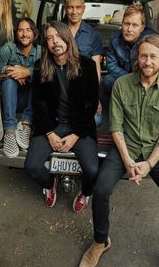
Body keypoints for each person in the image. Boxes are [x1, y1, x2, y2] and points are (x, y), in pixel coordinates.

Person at [79, 34, 159, 267]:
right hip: (124, 149)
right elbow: (116, 127)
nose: (147, 61)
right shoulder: (122, 84)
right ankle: (101, 241)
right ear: (136, 59)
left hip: (154, 153)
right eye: (143, 56)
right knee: (100, 190)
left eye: (152, 56)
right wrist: (128, 161)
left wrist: (149, 163)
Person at [24, 21, 99, 212]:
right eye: (49, 38)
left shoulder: (88, 65)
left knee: (92, 171)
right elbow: (38, 103)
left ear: (67, 38)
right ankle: (49, 185)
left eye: (58, 36)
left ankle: (86, 192)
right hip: (51, 125)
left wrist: (75, 136)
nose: (54, 41)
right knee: (31, 166)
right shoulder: (41, 67)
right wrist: (49, 133)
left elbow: (91, 105)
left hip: (79, 127)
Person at [0, 17, 41, 158]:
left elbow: (49, 72)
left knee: (40, 78)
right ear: (16, 33)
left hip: (32, 102)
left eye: (28, 30)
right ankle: (10, 131)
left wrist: (27, 72)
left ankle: (25, 124)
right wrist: (13, 72)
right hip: (11, 100)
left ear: (34, 33)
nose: (24, 34)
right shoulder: (8, 49)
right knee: (9, 81)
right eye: (21, 30)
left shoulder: (41, 51)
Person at [64, 0, 103, 126]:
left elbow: (96, 68)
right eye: (70, 7)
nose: (74, 12)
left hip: (84, 86)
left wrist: (95, 97)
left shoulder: (93, 35)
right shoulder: (57, 30)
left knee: (96, 120)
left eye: (78, 7)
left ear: (83, 9)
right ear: (65, 9)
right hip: (61, 83)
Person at [103, 4, 155, 96]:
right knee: (108, 80)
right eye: (126, 24)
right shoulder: (115, 39)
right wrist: (129, 79)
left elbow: (153, 67)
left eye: (135, 25)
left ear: (142, 28)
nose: (129, 29)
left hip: (144, 80)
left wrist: (138, 80)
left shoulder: (151, 40)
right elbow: (111, 65)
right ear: (122, 23)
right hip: (123, 78)